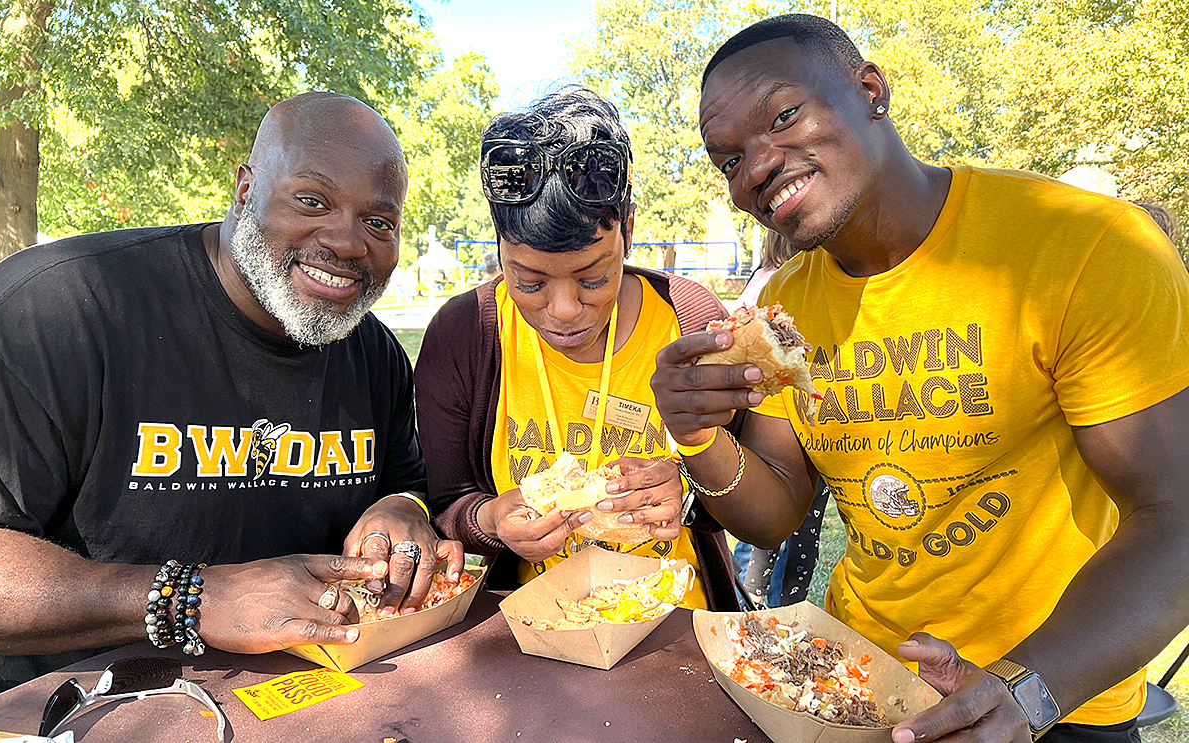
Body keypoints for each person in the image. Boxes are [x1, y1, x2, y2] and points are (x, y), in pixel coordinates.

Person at [651, 14, 1189, 743]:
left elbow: (1174, 519)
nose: (756, 168)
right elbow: (774, 511)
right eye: (729, 159)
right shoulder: (792, 304)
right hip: (859, 679)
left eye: (784, 115)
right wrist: (697, 434)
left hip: (1057, 692)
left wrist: (1024, 691)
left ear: (870, 89)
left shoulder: (1086, 247)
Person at [0, 92, 463, 695]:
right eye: (312, 200)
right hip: (83, 708)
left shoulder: (372, 354)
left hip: (318, 700)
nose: (347, 243)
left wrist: (401, 509)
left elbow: (405, 482)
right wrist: (193, 594)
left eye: (379, 222)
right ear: (245, 189)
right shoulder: (59, 310)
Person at [416, 87, 739, 610]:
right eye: (529, 282)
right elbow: (448, 504)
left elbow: (743, 491)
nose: (564, 310)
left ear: (627, 228)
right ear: (499, 243)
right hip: (530, 631)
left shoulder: (689, 319)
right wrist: (490, 521)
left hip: (677, 630)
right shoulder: (465, 335)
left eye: (593, 279)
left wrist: (690, 494)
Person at [732, 229, 827, 608]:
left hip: (779, 424)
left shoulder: (759, 280)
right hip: (794, 425)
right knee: (803, 530)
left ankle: (753, 597)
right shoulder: (780, 285)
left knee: (762, 540)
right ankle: (786, 603)